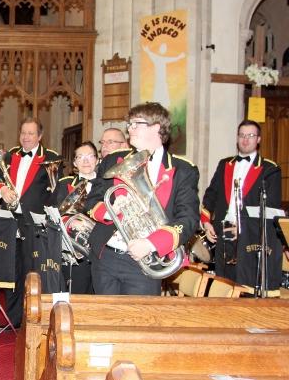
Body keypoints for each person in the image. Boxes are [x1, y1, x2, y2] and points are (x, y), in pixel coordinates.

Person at [85, 102, 199, 295]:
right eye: (129, 124)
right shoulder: (113, 160)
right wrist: (111, 209)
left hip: (146, 259)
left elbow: (188, 219)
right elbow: (91, 202)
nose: (130, 129)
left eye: (136, 123)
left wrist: (150, 244)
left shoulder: (183, 170)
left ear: (156, 127)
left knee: (138, 320)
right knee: (104, 321)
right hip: (106, 256)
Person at [0, 117, 61, 325]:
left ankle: (32, 318)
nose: (26, 137)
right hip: (11, 220)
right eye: (23, 133)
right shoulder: (11, 155)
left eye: (31, 133)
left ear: (39, 136)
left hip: (35, 224)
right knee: (12, 270)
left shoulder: (51, 158)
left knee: (33, 271)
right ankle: (13, 319)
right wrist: (2, 190)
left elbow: (55, 193)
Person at [200, 120, 282, 288]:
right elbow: (211, 194)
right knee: (224, 280)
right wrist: (206, 221)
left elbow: (271, 208)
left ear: (258, 139)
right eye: (242, 135)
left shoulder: (270, 169)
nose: (245, 139)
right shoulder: (225, 164)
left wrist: (245, 226)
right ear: (237, 138)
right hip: (226, 227)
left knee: (244, 282)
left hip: (250, 234)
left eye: (250, 135)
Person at [55, 141, 99, 294]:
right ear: (75, 163)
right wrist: (72, 223)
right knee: (77, 293)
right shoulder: (64, 184)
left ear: (97, 159)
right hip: (76, 250)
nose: (86, 161)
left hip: (102, 250)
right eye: (80, 157)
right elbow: (58, 215)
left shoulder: (105, 183)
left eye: (90, 156)